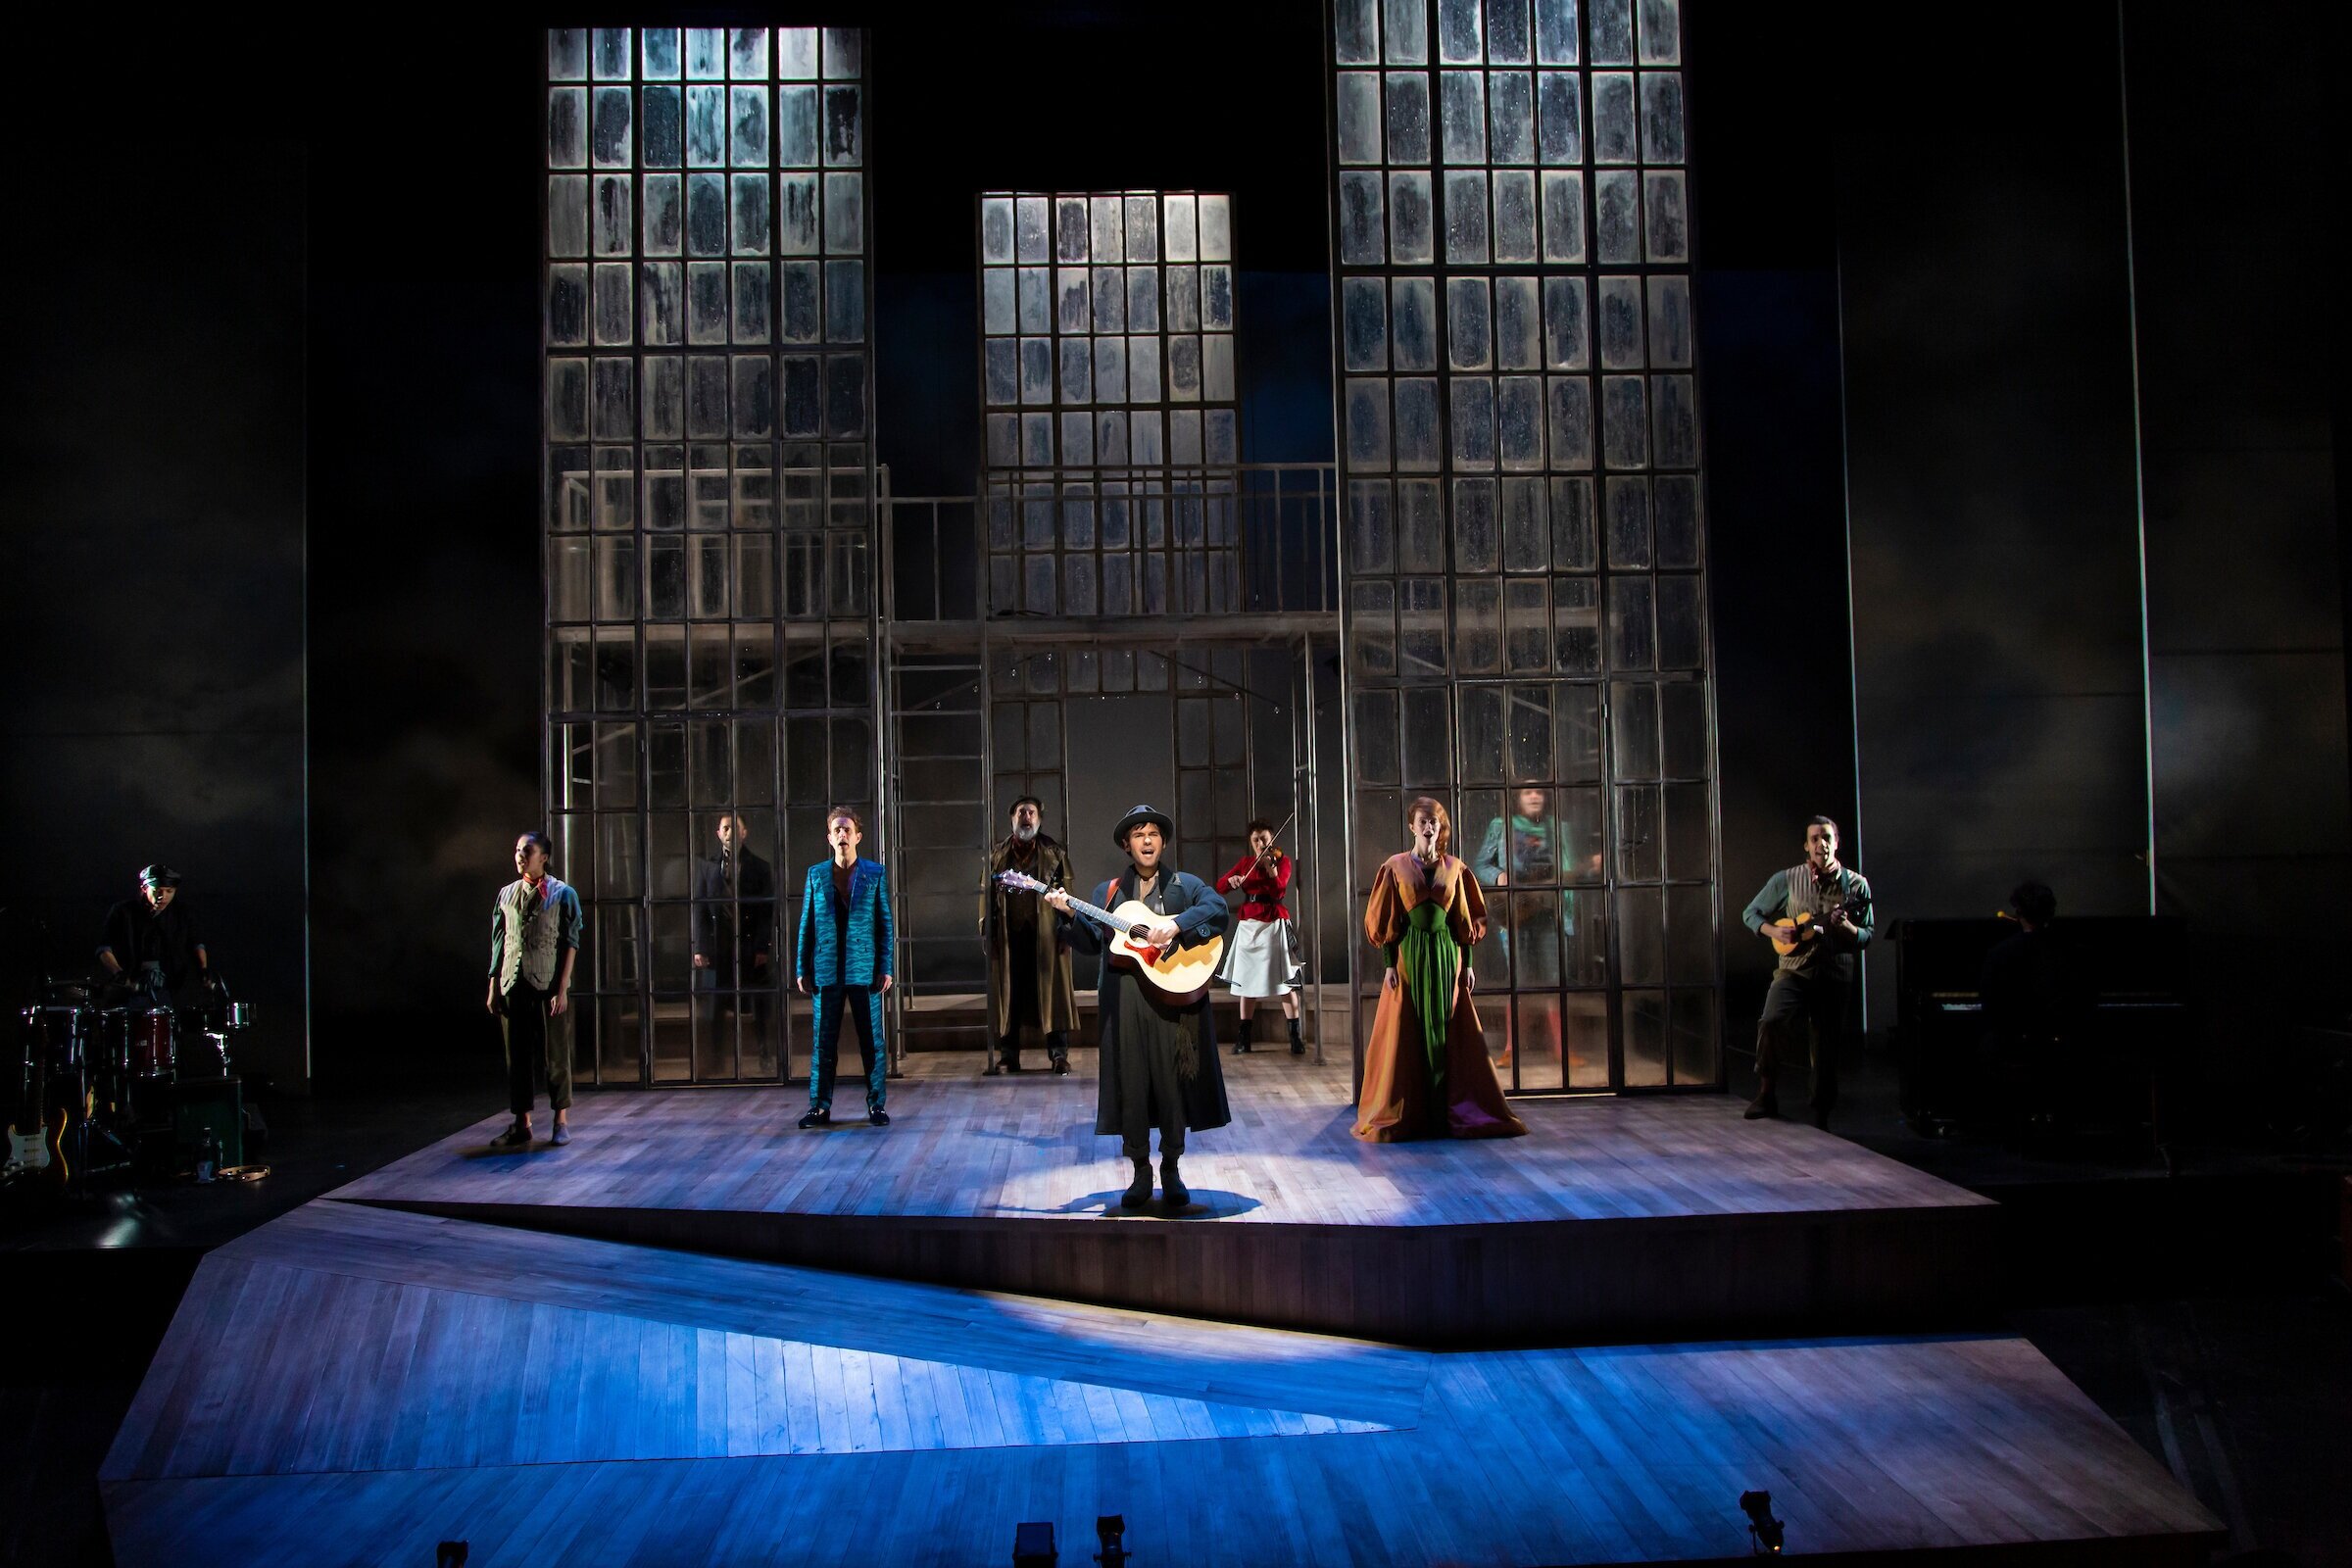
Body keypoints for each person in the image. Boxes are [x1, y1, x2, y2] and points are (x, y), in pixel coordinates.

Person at [1045, 804, 1230, 1208]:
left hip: (1170, 1003)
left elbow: (1218, 910)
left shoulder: (1184, 884)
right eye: (1138, 835)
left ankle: (1172, 1168)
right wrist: (1067, 916)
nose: (1147, 841)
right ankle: (1140, 1171)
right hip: (1125, 1000)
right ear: (1127, 846)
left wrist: (1176, 925)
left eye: (1153, 834)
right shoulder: (1108, 894)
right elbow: (1093, 943)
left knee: (1171, 1084)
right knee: (1131, 1083)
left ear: (1162, 843)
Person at [1353, 798, 1528, 1143]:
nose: (1428, 826)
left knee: (1448, 1028)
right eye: (1422, 821)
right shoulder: (1395, 866)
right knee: (1408, 1029)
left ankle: (1447, 1107)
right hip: (1410, 956)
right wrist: (1389, 964)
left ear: (1439, 826)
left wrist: (1469, 964)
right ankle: (1412, 1109)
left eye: (1434, 821)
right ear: (1411, 826)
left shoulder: (1456, 868)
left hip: (1447, 955)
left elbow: (1464, 918)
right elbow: (1388, 918)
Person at [1739, 815, 1875, 1129]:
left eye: (1826, 837)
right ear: (1806, 845)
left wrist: (1849, 927)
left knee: (1826, 1045)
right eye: (1814, 839)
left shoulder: (1856, 885)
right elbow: (1751, 913)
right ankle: (1766, 1093)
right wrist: (1774, 930)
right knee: (1771, 1021)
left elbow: (1867, 935)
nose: (1821, 844)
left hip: (1834, 974)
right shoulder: (1786, 879)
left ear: (1837, 842)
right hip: (1794, 970)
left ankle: (1822, 1114)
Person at [794, 806, 895, 1129]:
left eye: (847, 829)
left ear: (857, 836)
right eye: (836, 829)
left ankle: (876, 1104)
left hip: (864, 970)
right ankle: (819, 1107)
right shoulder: (816, 875)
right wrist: (801, 967)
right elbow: (806, 924)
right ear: (829, 836)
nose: (842, 834)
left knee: (872, 1041)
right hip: (826, 969)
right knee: (823, 1041)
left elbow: (885, 924)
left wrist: (886, 966)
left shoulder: (874, 873)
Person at [1472, 788, 1585, 1069]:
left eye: (1539, 792)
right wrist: (1499, 876)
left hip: (1550, 915)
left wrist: (1568, 903)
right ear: (1518, 797)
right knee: (1517, 982)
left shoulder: (1558, 829)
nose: (1534, 797)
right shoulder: (1501, 826)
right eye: (1527, 792)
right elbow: (1481, 864)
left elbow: (1569, 868)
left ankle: (1561, 1048)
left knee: (1554, 983)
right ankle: (1511, 1049)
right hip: (1517, 914)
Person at [483, 831, 583, 1150]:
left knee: (555, 1054)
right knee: (518, 1056)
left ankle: (560, 1120)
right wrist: (493, 986)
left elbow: (571, 941)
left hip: (547, 981)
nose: (520, 856)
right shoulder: (506, 894)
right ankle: (521, 1123)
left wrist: (563, 986)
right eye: (517, 850)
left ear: (544, 857)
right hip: (513, 982)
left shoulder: (562, 894)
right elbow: (499, 942)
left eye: (527, 850)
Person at [981, 796, 1080, 1075]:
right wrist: (989, 934)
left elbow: (1068, 896)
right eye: (1021, 812)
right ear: (1012, 818)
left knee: (1053, 993)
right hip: (1010, 937)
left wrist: (1067, 932)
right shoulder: (998, 856)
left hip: (1047, 935)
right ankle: (1009, 1055)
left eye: (1032, 812)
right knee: (1009, 995)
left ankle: (1059, 1054)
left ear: (1039, 819)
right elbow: (986, 898)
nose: (1027, 817)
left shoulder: (1054, 853)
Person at [693, 813, 776, 1067]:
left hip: (750, 944)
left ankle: (765, 1053)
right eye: (725, 828)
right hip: (720, 945)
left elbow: (766, 912)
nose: (729, 833)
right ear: (719, 834)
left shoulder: (760, 867)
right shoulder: (707, 868)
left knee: (758, 1002)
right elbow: (700, 909)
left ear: (744, 833)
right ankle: (717, 1057)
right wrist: (700, 947)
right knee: (716, 1004)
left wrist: (763, 946)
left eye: (734, 828)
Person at [1216, 818, 1302, 1054]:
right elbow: (1221, 886)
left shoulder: (1281, 861)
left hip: (1273, 921)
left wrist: (1270, 868)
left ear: (1271, 839)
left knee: (1284, 981)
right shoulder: (1245, 863)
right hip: (1249, 925)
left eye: (1264, 839)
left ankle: (1295, 1037)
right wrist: (1233, 881)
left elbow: (1280, 888)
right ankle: (1244, 1039)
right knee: (1246, 983)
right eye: (1256, 840)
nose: (1260, 843)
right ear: (1250, 842)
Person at [97, 864, 215, 1004]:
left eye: (169, 891)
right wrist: (118, 973)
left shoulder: (182, 914)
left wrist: (203, 970)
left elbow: (196, 944)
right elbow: (104, 948)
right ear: (144, 888)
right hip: (129, 987)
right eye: (157, 891)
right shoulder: (122, 912)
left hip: (171, 986)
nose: (162, 896)